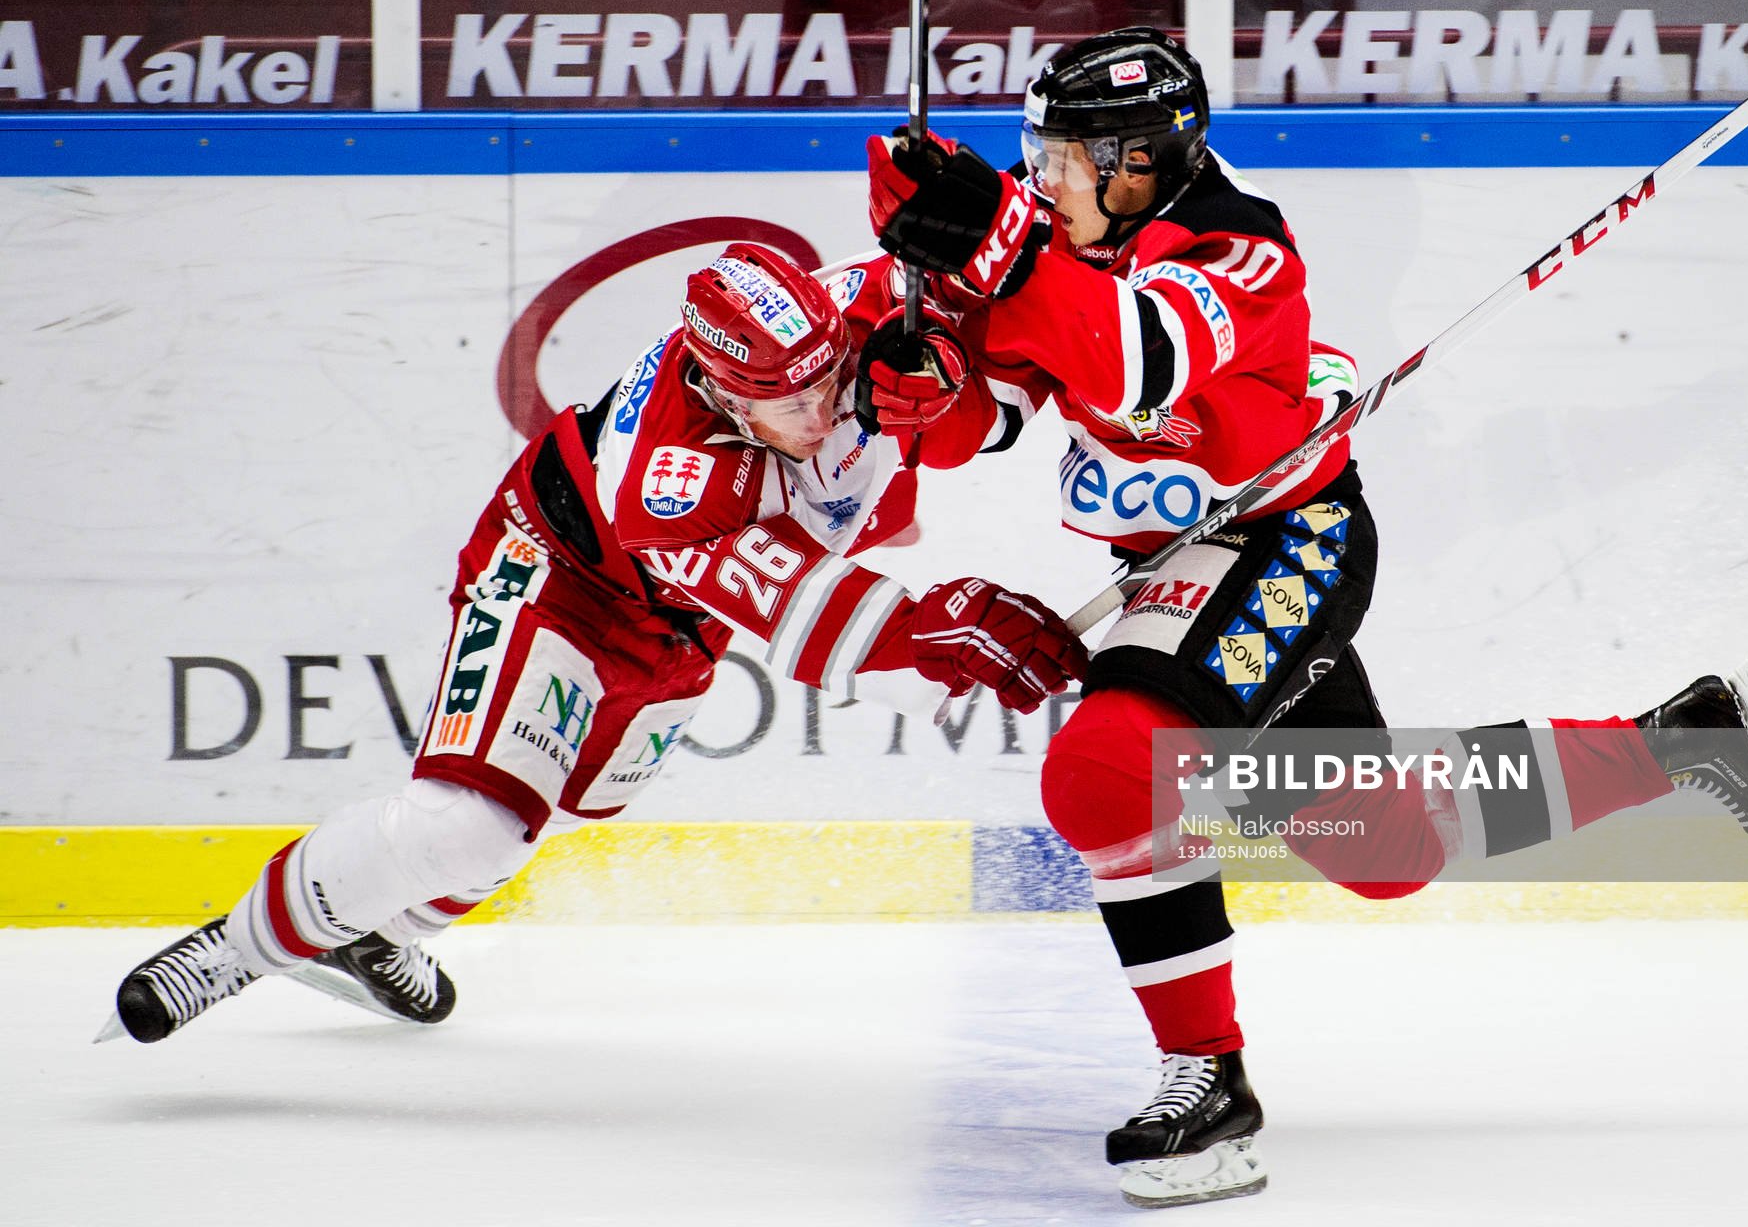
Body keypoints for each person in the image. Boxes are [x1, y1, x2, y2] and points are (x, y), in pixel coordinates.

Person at [863, 26, 1748, 1209]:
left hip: (1287, 545)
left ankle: (1206, 1085)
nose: (1041, 178)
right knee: (1386, 847)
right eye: (1035, 154)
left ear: (1141, 162)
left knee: (1106, 768)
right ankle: (1685, 738)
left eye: (1066, 157)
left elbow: (1134, 363)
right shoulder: (1053, 231)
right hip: (1179, 560)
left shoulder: (1240, 248)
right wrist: (923, 378)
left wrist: (998, 249)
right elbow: (998, 403)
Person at [111, 242, 1088, 1043]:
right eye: (787, 404)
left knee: (567, 812)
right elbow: (803, 614)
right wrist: (931, 633)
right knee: (475, 818)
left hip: (676, 631)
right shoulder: (671, 483)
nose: (821, 409)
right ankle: (234, 949)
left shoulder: (839, 320)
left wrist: (947, 246)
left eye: (825, 378)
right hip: (558, 574)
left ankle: (368, 933)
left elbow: (966, 274)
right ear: (722, 391)